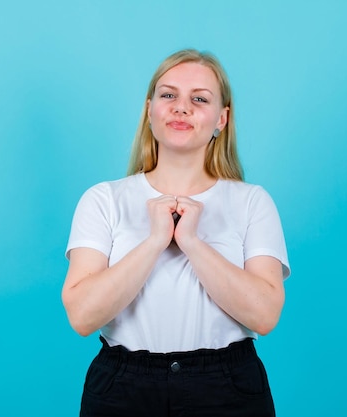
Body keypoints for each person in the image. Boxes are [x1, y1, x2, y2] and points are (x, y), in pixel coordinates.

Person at [62, 48, 290, 417]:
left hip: (226, 387)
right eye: (168, 95)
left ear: (222, 119)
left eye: (199, 99)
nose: (181, 108)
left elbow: (264, 316)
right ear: (150, 110)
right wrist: (154, 241)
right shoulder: (104, 199)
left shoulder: (252, 202)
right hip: (123, 387)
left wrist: (192, 243)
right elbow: (83, 317)